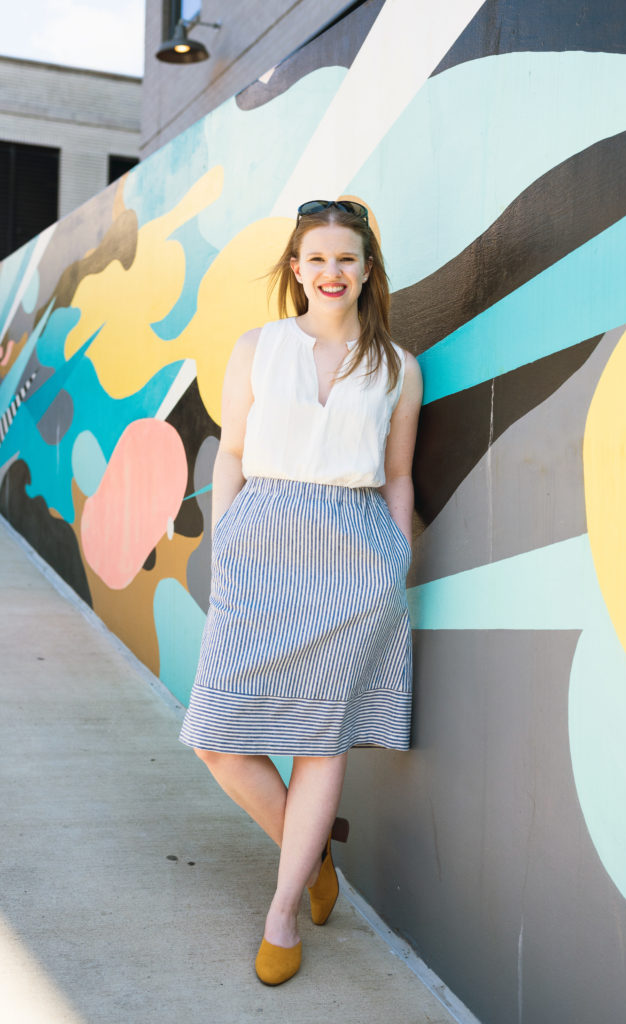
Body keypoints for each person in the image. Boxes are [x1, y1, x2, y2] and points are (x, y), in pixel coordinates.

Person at [178, 199, 423, 985]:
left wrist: (395, 568)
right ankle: (313, 858)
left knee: (319, 744)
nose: (332, 272)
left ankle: (283, 910)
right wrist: (227, 543)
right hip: (262, 546)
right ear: (295, 268)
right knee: (219, 737)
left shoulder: (397, 368)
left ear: (367, 269)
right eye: (316, 258)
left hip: (356, 565)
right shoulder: (257, 348)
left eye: (346, 258)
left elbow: (398, 476)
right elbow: (232, 455)